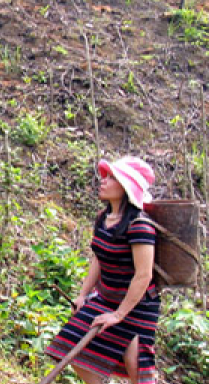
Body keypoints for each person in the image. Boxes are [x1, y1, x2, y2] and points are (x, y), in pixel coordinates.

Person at [45, 156, 160, 384]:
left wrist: (119, 315)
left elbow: (144, 274)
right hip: (106, 298)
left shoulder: (140, 225)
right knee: (70, 347)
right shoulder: (103, 219)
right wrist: (83, 295)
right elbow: (98, 259)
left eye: (111, 179)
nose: (103, 181)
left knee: (137, 369)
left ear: (126, 188)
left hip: (137, 305)